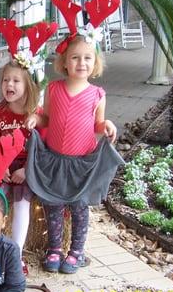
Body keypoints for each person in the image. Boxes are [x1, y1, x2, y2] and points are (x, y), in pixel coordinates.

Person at [25, 35, 122, 274]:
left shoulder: (97, 94)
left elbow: (97, 125)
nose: (81, 63)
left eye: (87, 58)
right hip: (55, 159)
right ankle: (54, 248)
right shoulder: (54, 89)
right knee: (54, 205)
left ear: (95, 63)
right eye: (75, 57)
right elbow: (47, 118)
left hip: (82, 162)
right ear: (64, 62)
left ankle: (76, 251)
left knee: (79, 207)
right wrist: (36, 118)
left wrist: (107, 125)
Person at [0, 60, 41, 276]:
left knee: (22, 202)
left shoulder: (34, 113)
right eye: (5, 80)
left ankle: (16, 255)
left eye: (16, 80)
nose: (9, 84)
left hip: (26, 166)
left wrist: (26, 170)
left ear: (28, 85)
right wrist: (1, 164)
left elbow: (41, 147)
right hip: (2, 163)